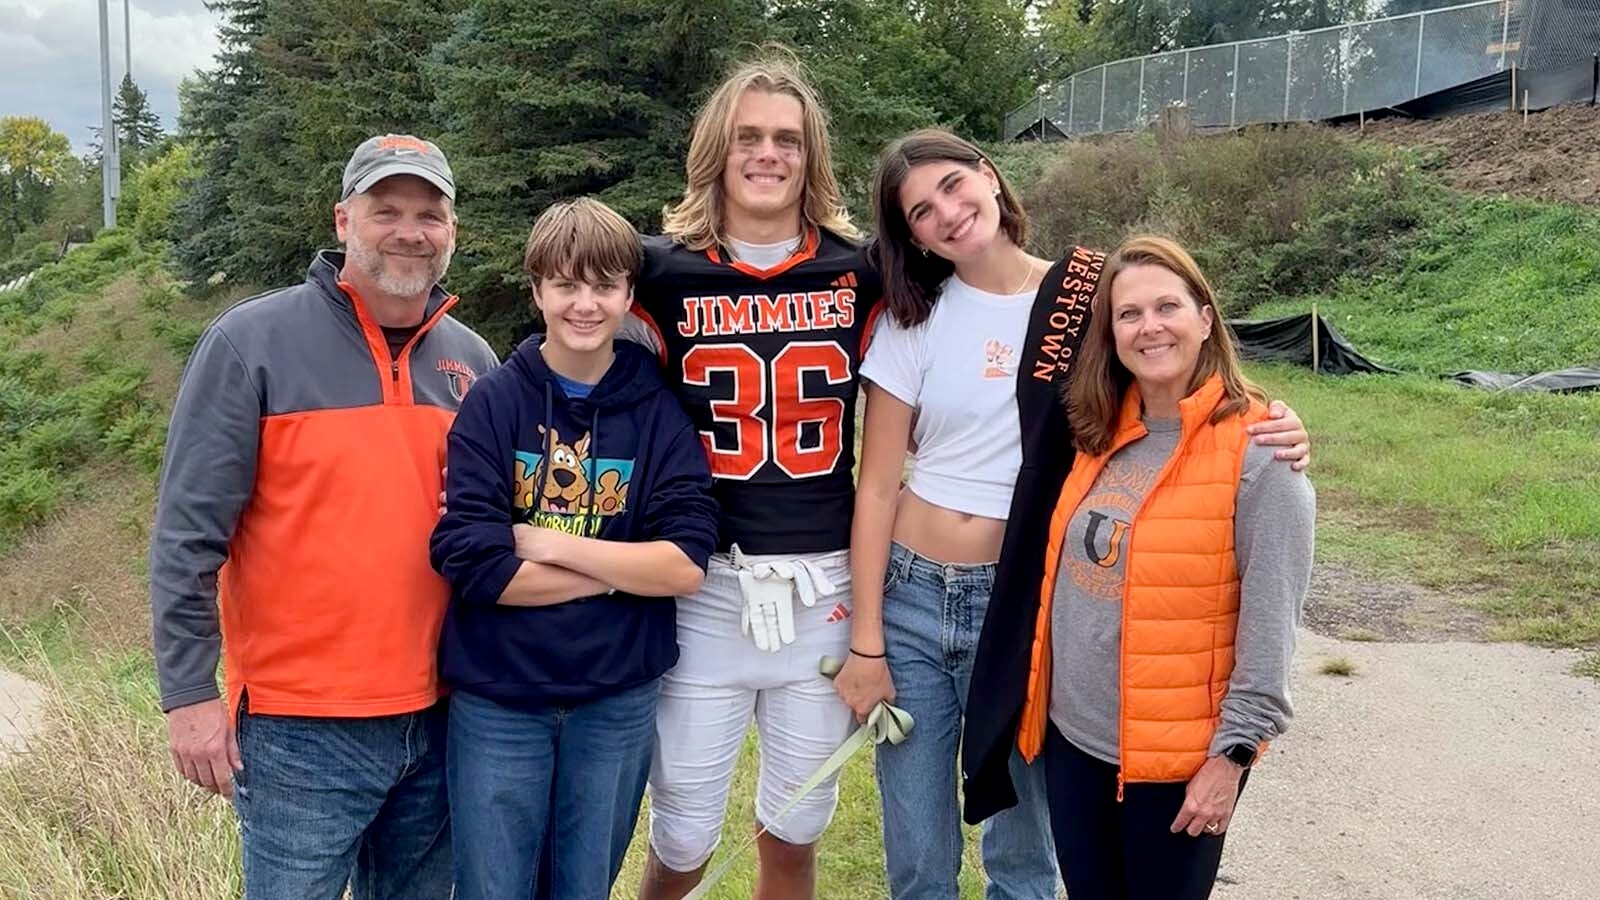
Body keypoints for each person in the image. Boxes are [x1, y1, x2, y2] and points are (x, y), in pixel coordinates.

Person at [841, 129, 1312, 899]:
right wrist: (867, 640)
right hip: (915, 599)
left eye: (955, 187)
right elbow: (876, 485)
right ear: (913, 236)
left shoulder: (1085, 298)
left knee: (1026, 853)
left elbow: (1173, 376)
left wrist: (1274, 422)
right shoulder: (910, 321)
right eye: (921, 212)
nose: (948, 214)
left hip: (1030, 597)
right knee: (920, 855)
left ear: (989, 178)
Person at [149, 134, 499, 899]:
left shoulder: (473, 362)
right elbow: (186, 536)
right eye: (386, 210)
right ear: (343, 220)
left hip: (445, 715)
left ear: (452, 234)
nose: (409, 230)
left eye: (429, 214)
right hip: (298, 732)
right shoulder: (250, 343)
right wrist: (188, 697)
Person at [620, 50, 884, 900]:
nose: (768, 154)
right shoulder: (656, 271)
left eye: (787, 140)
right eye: (748, 138)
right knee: (683, 828)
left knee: (797, 825)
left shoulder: (864, 268)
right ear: (715, 152)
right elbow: (564, 363)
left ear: (812, 158)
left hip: (823, 583)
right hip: (702, 583)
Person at [429, 197, 719, 899]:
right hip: (501, 700)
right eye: (566, 284)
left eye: (604, 285)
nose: (585, 304)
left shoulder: (659, 412)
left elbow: (684, 562)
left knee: (583, 888)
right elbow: (473, 562)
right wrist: (624, 570)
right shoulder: (494, 403)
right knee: (493, 890)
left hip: (615, 699)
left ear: (628, 295)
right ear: (537, 290)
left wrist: (542, 542)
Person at [1020, 235, 1314, 899]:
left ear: (1206, 319)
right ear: (1112, 334)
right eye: (1129, 314)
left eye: (1167, 307)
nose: (1149, 327)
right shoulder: (1098, 433)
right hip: (1077, 746)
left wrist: (1231, 759)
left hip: (1177, 765)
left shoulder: (1262, 454)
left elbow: (1271, 635)